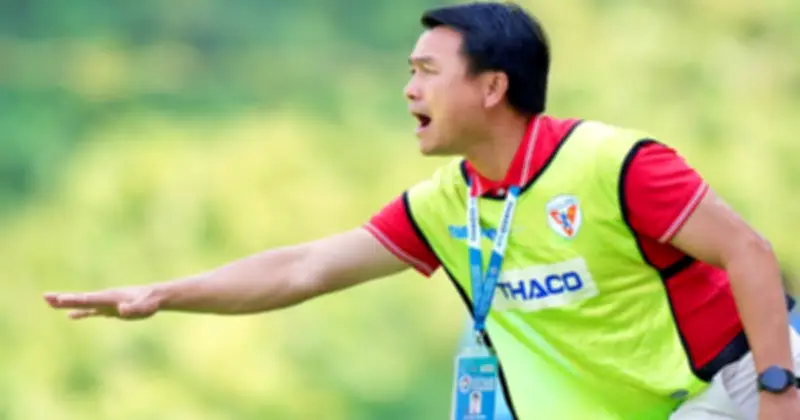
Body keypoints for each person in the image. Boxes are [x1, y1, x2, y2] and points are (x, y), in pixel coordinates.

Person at [44, 2, 800, 419]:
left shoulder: (612, 162)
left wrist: (779, 392)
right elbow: (303, 268)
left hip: (747, 378)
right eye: (409, 72)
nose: (409, 90)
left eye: (427, 72)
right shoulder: (448, 205)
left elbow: (751, 253)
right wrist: (166, 293)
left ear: (493, 87)